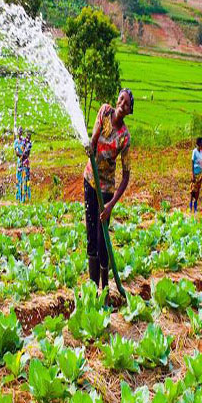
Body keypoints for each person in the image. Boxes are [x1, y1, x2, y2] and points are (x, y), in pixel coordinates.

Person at [83, 88, 134, 292]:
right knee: (91, 236)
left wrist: (111, 205)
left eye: (127, 103)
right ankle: (93, 288)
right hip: (90, 179)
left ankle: (105, 288)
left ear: (130, 110)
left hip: (106, 190)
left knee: (103, 238)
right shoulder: (104, 111)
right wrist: (91, 145)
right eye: (121, 98)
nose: (122, 103)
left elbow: (126, 175)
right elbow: (94, 140)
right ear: (116, 99)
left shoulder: (125, 137)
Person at [14, 128, 31, 203]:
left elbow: (27, 152)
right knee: (19, 179)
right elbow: (16, 152)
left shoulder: (26, 142)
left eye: (21, 132)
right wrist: (21, 156)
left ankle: (25, 198)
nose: (20, 133)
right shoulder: (16, 142)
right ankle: (19, 198)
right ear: (17, 133)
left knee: (25, 180)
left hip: (25, 162)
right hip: (20, 162)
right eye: (19, 132)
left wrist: (23, 156)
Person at [189, 137, 202, 212]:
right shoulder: (194, 151)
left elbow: (201, 162)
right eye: (201, 143)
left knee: (197, 191)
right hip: (195, 173)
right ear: (198, 144)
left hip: (200, 173)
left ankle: (195, 207)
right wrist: (192, 173)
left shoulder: (201, 152)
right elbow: (192, 162)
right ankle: (190, 207)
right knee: (192, 190)